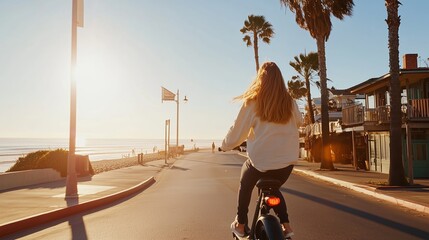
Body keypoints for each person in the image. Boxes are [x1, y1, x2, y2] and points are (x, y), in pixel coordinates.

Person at [220, 62, 302, 238]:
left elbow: (237, 132)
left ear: (260, 80)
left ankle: (240, 224)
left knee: (245, 183)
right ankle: (286, 226)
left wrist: (224, 145)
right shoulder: (289, 102)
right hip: (286, 165)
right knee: (273, 188)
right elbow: (300, 121)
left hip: (259, 163)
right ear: (280, 80)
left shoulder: (252, 102)